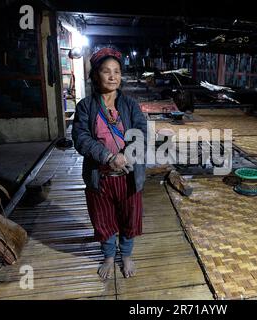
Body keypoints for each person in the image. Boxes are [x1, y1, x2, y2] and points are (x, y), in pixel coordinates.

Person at [72, 47, 147, 279]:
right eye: (106, 71)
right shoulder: (86, 106)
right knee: (103, 219)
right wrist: (108, 157)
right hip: (100, 177)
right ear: (96, 75)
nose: (113, 76)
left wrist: (126, 155)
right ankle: (107, 256)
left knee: (129, 217)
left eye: (117, 71)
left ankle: (125, 255)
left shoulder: (130, 105)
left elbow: (141, 132)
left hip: (127, 176)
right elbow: (80, 137)